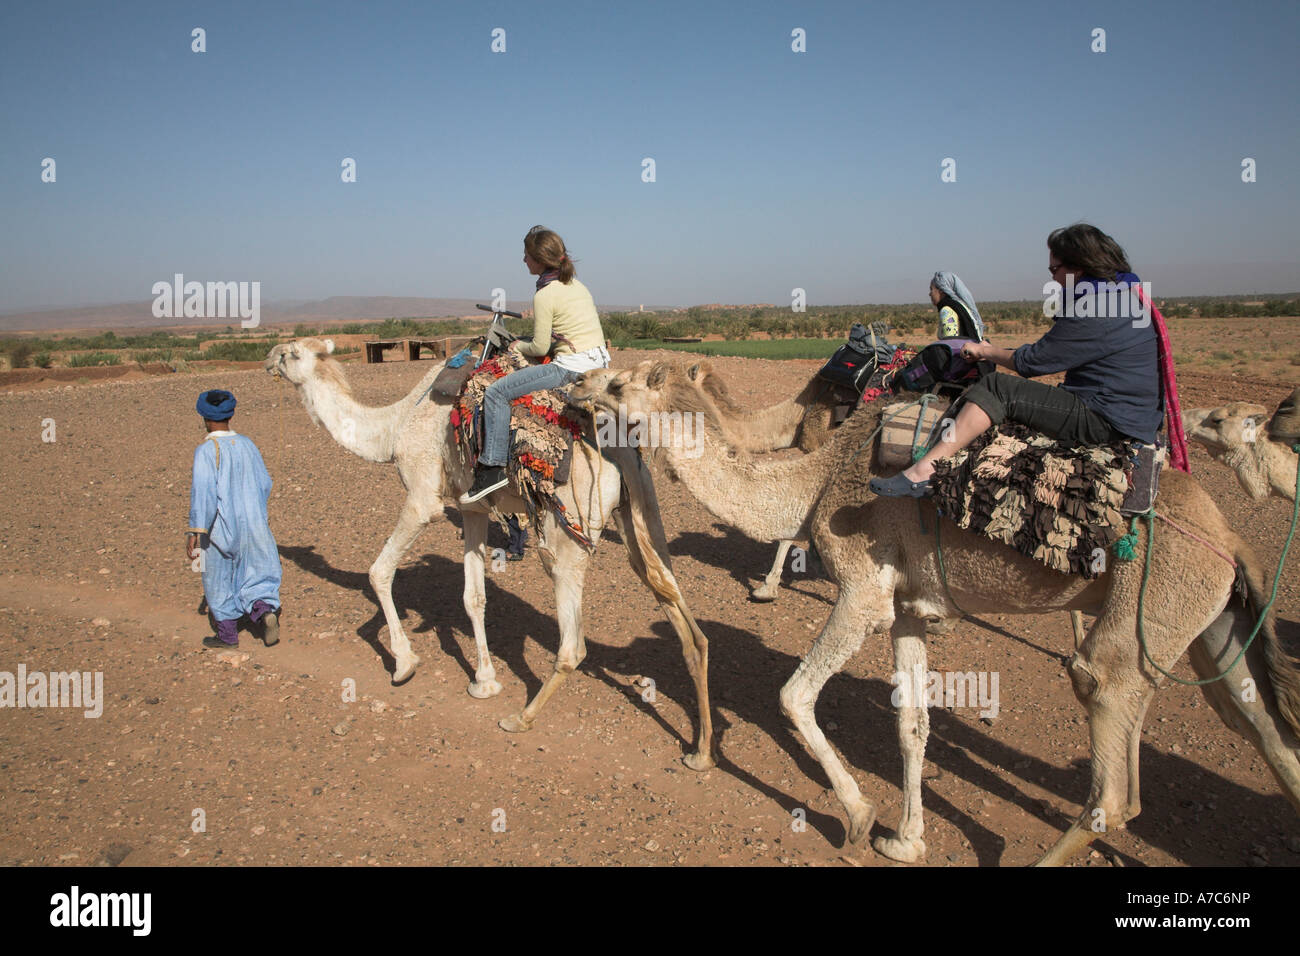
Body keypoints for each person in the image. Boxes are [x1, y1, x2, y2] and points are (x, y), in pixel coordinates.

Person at [871, 223, 1183, 497]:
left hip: (1107, 417)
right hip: (1132, 414)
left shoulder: (1097, 306)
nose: (1054, 278)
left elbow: (1033, 362)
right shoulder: (1125, 295)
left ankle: (924, 471)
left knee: (996, 387)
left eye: (1055, 270)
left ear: (1078, 266)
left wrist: (984, 351)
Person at [462, 226, 611, 503]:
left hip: (571, 367)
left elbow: (540, 347)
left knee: (496, 392)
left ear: (540, 259)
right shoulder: (577, 285)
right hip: (599, 364)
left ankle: (492, 468)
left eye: (527, 255)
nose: (523, 261)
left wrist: (518, 345)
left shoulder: (544, 294)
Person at [186, 389, 283, 648]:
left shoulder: (207, 450)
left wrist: (196, 530)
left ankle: (227, 635)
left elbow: (203, 493)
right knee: (257, 571)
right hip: (253, 524)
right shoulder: (248, 444)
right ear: (230, 414)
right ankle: (263, 611)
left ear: (205, 418)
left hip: (220, 528)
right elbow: (264, 483)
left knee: (217, 576)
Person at [930, 270, 986, 342]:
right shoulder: (961, 307)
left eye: (931, 289)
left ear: (941, 290)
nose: (930, 294)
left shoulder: (947, 310)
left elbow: (950, 344)